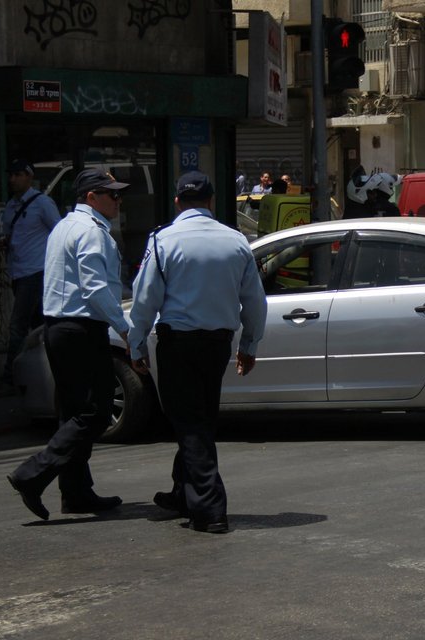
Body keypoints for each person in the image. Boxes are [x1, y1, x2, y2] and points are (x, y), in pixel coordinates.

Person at [128, 171, 267, 534]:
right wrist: (249, 345)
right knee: (198, 419)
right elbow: (255, 302)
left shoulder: (162, 240)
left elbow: (145, 299)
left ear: (177, 202)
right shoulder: (236, 241)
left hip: (178, 344)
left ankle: (209, 509)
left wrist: (136, 341)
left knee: (188, 422)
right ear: (211, 201)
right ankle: (182, 494)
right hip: (217, 345)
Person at [6, 168, 131, 521]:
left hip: (60, 328)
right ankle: (32, 475)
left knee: (75, 412)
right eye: (112, 194)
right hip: (80, 330)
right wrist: (124, 328)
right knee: (94, 413)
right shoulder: (91, 232)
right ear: (92, 197)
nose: (118, 200)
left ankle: (76, 492)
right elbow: (94, 289)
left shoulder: (64, 226)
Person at [0, 159, 61, 398]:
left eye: (18, 175)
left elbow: (59, 233)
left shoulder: (42, 203)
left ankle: (9, 378)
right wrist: (5, 243)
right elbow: (12, 234)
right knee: (39, 325)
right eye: (11, 175)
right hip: (18, 271)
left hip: (36, 272)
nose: (13, 179)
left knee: (18, 324)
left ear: (29, 177)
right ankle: (46, 374)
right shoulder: (10, 206)